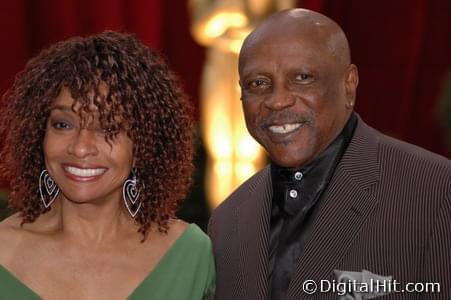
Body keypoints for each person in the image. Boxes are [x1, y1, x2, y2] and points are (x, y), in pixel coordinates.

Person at [208, 8, 450, 300]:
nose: (277, 100)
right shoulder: (227, 221)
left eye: (302, 77)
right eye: (259, 83)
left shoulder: (434, 192)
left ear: (349, 85)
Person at [0, 31, 215, 299]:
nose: (80, 147)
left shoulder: (190, 255)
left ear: (142, 143)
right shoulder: (3, 252)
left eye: (107, 128)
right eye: (63, 124)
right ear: (37, 134)